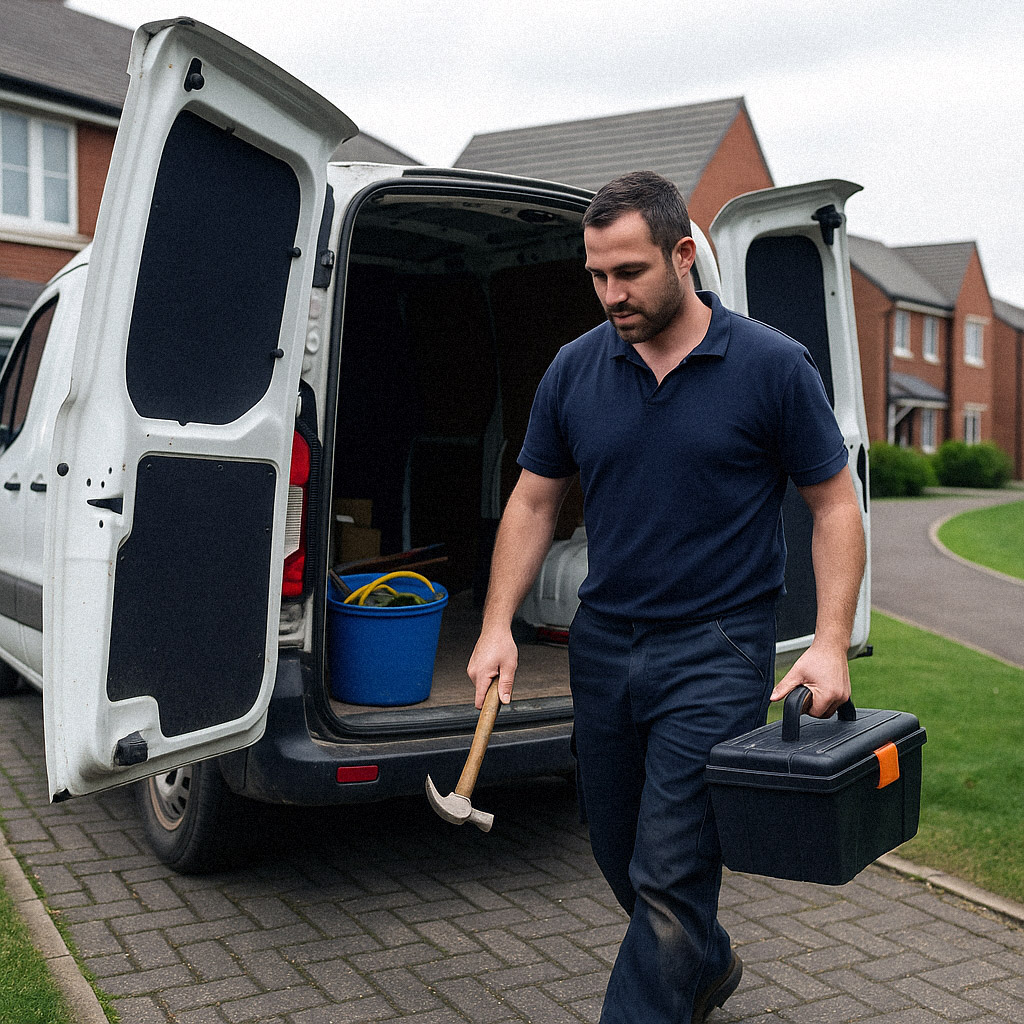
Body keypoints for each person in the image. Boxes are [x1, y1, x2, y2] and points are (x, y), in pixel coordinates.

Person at [467, 170, 866, 1024]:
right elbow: (535, 500)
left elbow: (834, 504)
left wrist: (828, 641)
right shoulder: (576, 370)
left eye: (629, 273)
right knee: (618, 853)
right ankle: (706, 961)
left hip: (718, 649)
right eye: (597, 276)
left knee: (670, 871)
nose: (611, 294)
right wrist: (497, 623)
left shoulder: (770, 366)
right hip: (605, 644)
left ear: (683, 256)